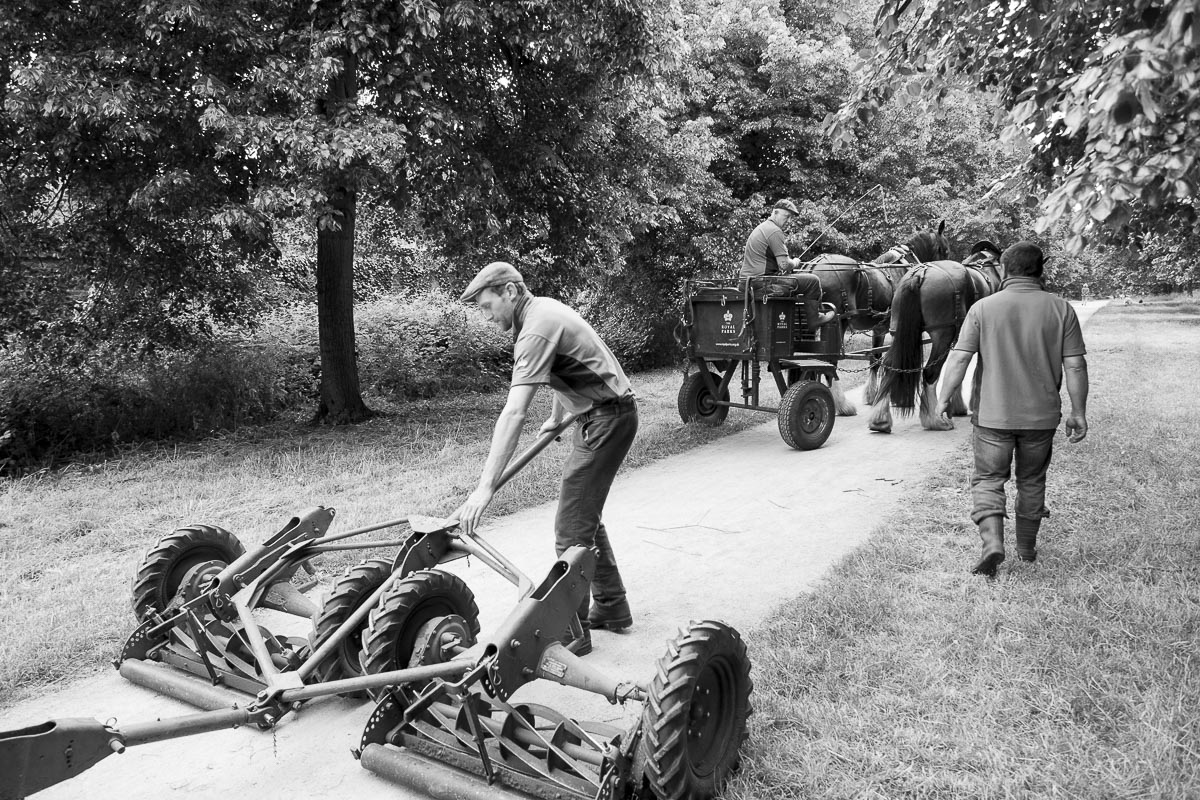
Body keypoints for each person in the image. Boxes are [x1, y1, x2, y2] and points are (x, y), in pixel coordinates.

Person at [457, 261, 638, 655]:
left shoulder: (535, 327)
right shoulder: (539, 313)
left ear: (509, 291)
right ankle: (612, 606)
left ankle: (575, 634)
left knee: (570, 530)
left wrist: (484, 487)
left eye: (487, 306)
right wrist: (556, 418)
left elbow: (515, 411)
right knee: (584, 518)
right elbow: (561, 369)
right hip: (602, 414)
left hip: (607, 418)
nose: (486, 317)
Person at [935, 242, 1089, 577]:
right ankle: (1026, 549)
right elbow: (1075, 366)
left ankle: (992, 544)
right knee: (1032, 479)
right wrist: (1079, 412)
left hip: (993, 417)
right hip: (1042, 417)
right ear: (1040, 270)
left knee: (989, 478)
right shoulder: (1062, 309)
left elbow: (960, 357)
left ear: (1004, 270)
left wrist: (943, 399)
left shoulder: (983, 308)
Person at [739, 199, 803, 278]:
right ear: (775, 213)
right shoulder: (775, 231)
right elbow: (784, 264)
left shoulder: (764, 227)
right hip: (762, 282)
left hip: (747, 280)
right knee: (813, 281)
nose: (789, 221)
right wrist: (795, 263)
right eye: (787, 216)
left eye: (791, 217)